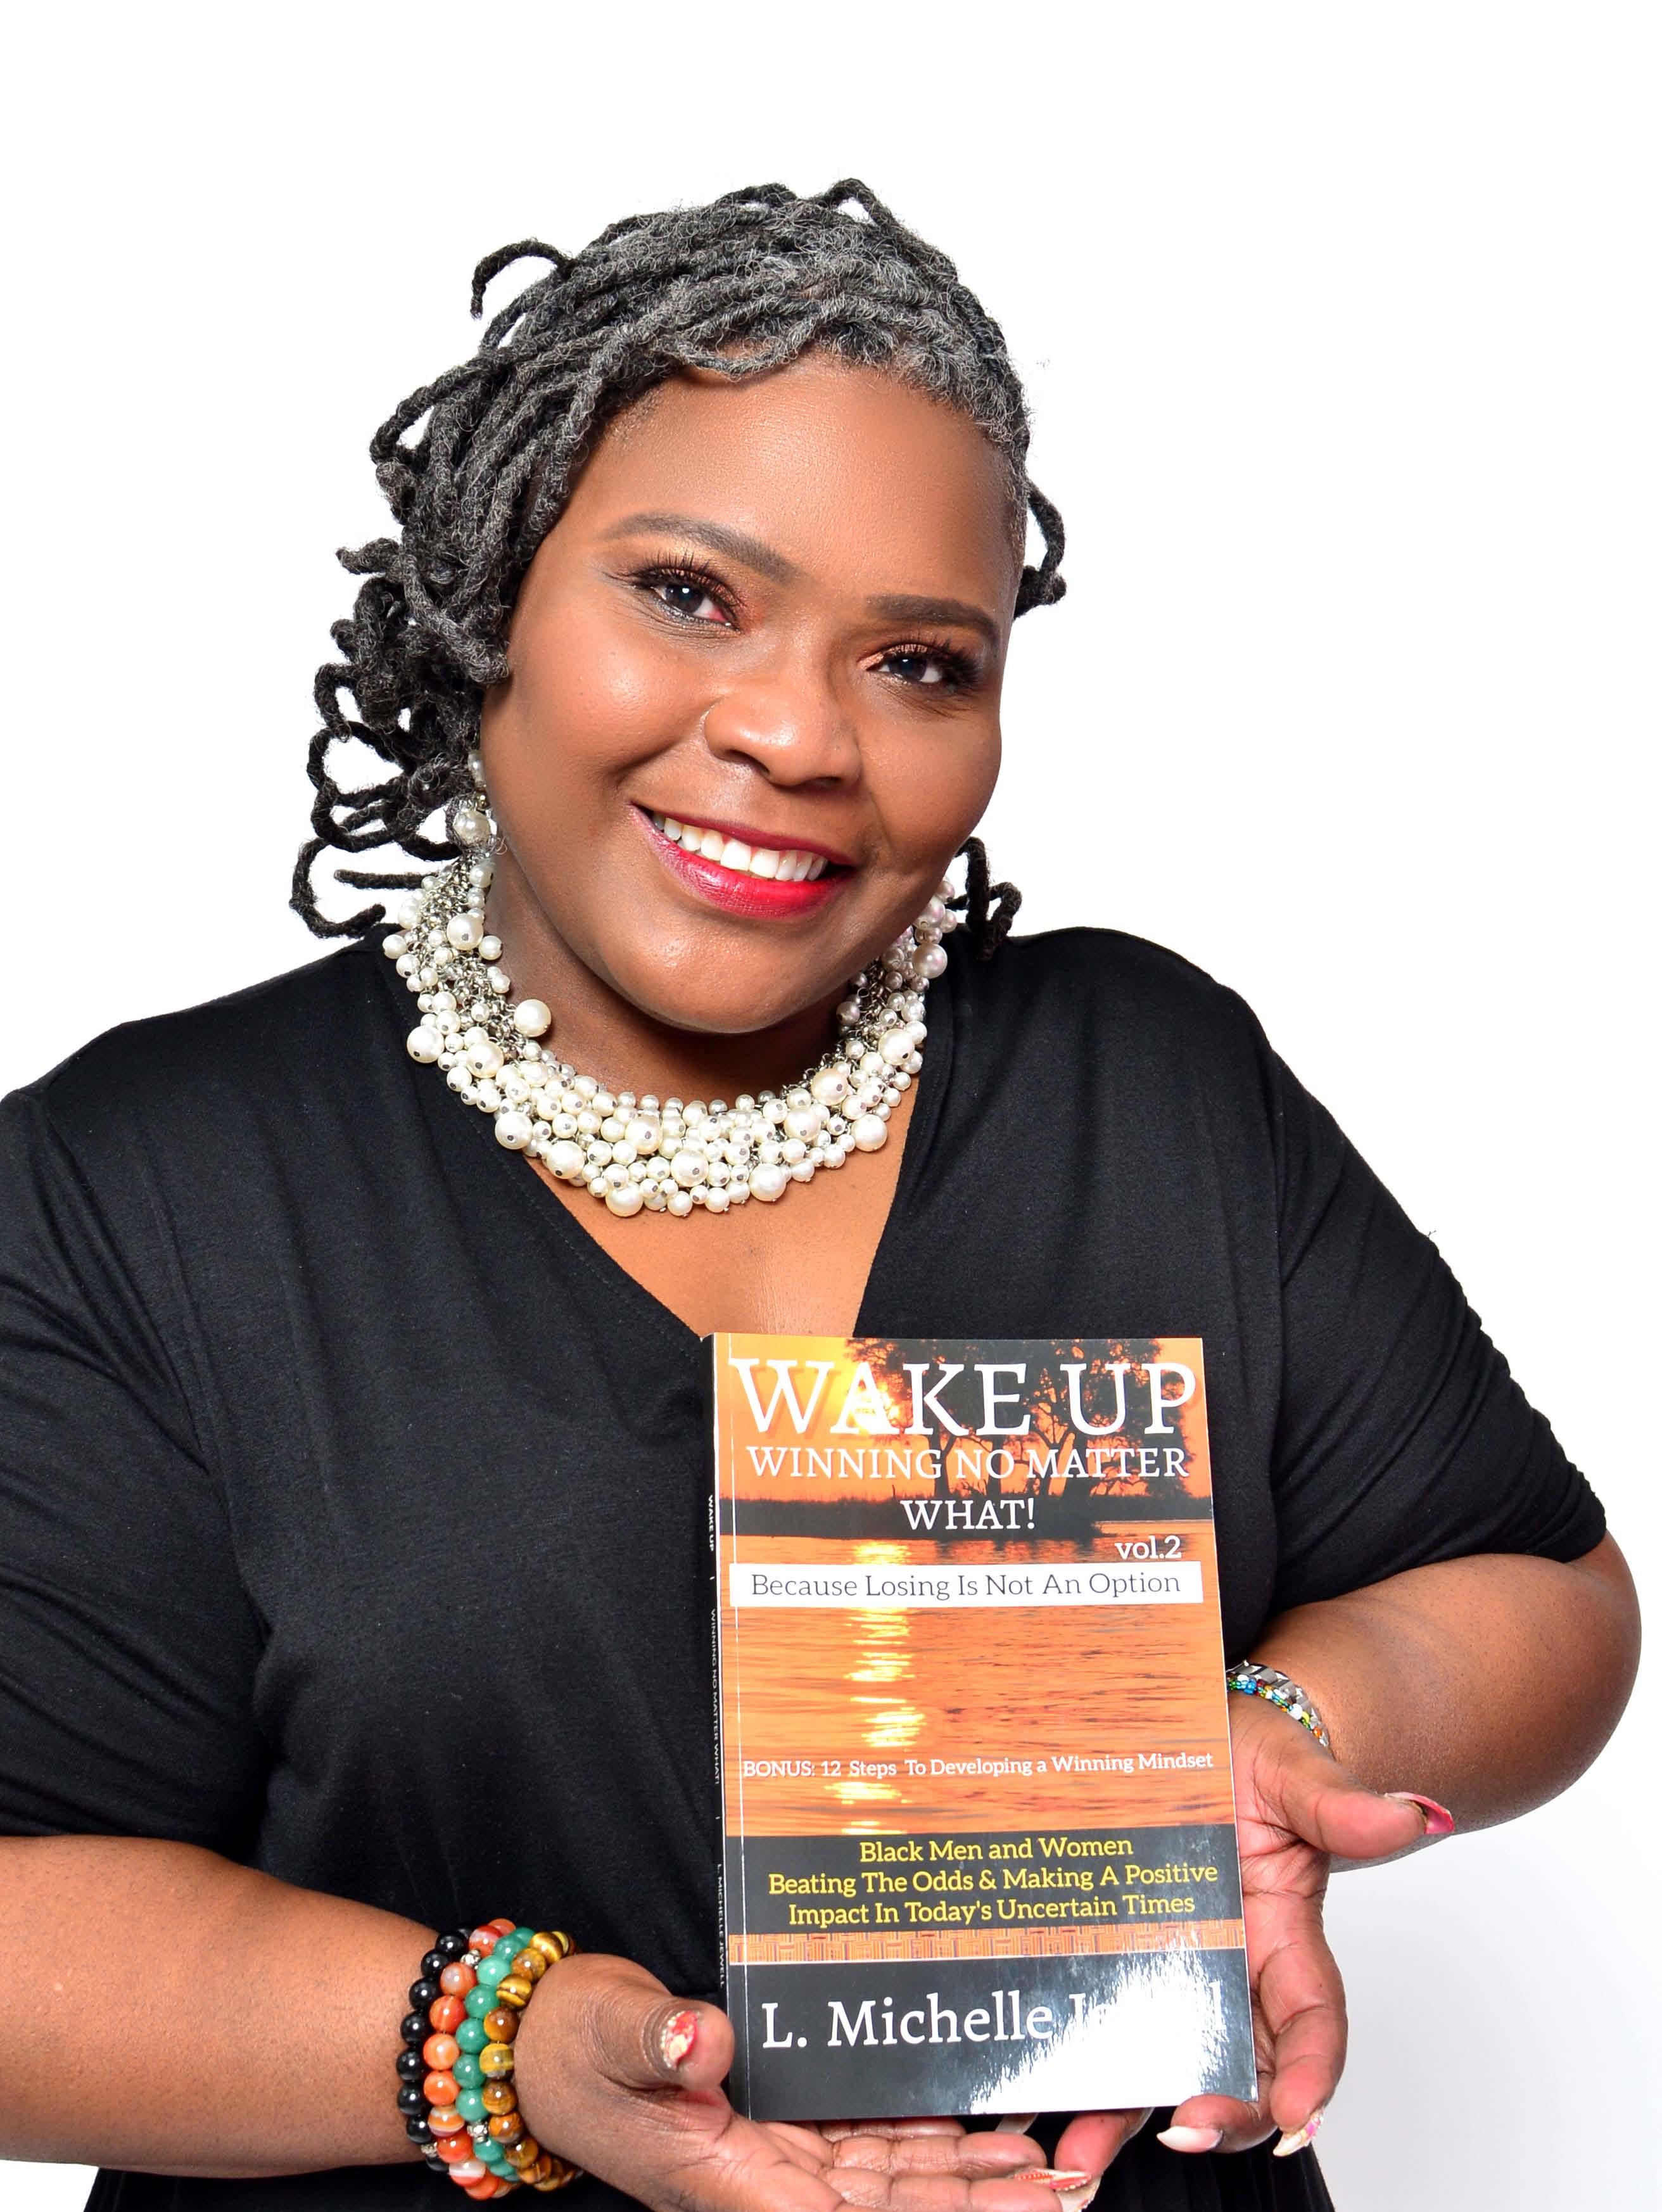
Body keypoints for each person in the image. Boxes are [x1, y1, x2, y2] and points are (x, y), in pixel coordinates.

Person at [0, 180, 1638, 2212]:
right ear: (490, 591)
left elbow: (1543, 1587)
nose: (795, 732)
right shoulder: (147, 1192)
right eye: (691, 594)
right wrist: (519, 2051)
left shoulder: (1146, 1085)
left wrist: (1280, 1729)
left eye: (921, 661)